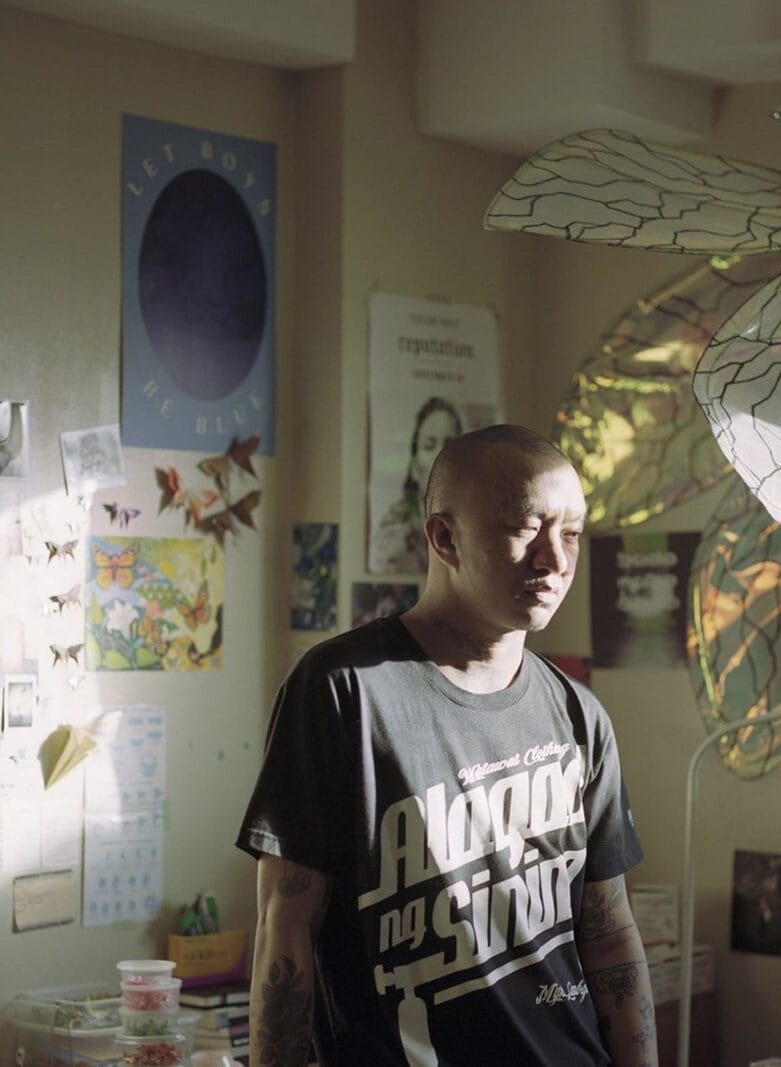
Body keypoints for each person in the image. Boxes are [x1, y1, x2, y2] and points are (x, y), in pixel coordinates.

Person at [238, 424, 656, 1065]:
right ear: (444, 537)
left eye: (570, 532)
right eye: (526, 528)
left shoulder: (579, 714)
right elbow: (286, 926)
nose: (555, 559)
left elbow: (609, 937)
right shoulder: (343, 691)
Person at [369, 396, 463, 574]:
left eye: (450, 446)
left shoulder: (475, 532)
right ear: (414, 465)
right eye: (429, 445)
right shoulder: (393, 538)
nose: (440, 455)